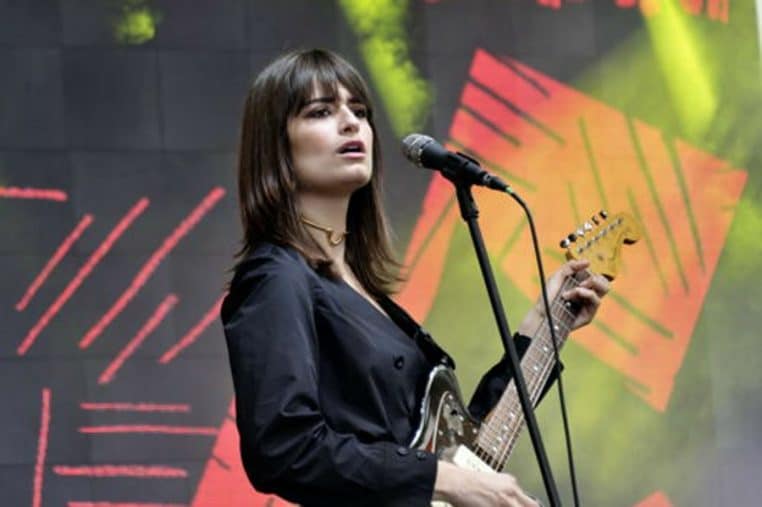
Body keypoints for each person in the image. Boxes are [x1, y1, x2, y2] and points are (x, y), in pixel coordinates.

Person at [221, 48, 609, 507]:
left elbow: (464, 450)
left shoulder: (360, 287)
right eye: (321, 112)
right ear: (276, 144)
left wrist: (542, 325)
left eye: (359, 111)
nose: (350, 123)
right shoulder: (277, 277)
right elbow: (283, 449)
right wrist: (445, 480)